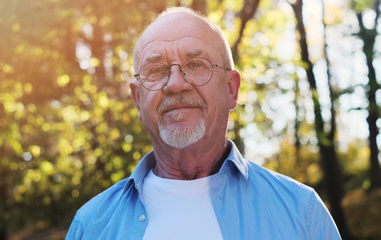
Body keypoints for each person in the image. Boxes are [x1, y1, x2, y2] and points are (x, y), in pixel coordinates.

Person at [66, 7, 341, 240]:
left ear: (232, 90)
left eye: (196, 64)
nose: (175, 84)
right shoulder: (90, 225)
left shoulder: (301, 213)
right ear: (138, 100)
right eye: (156, 70)